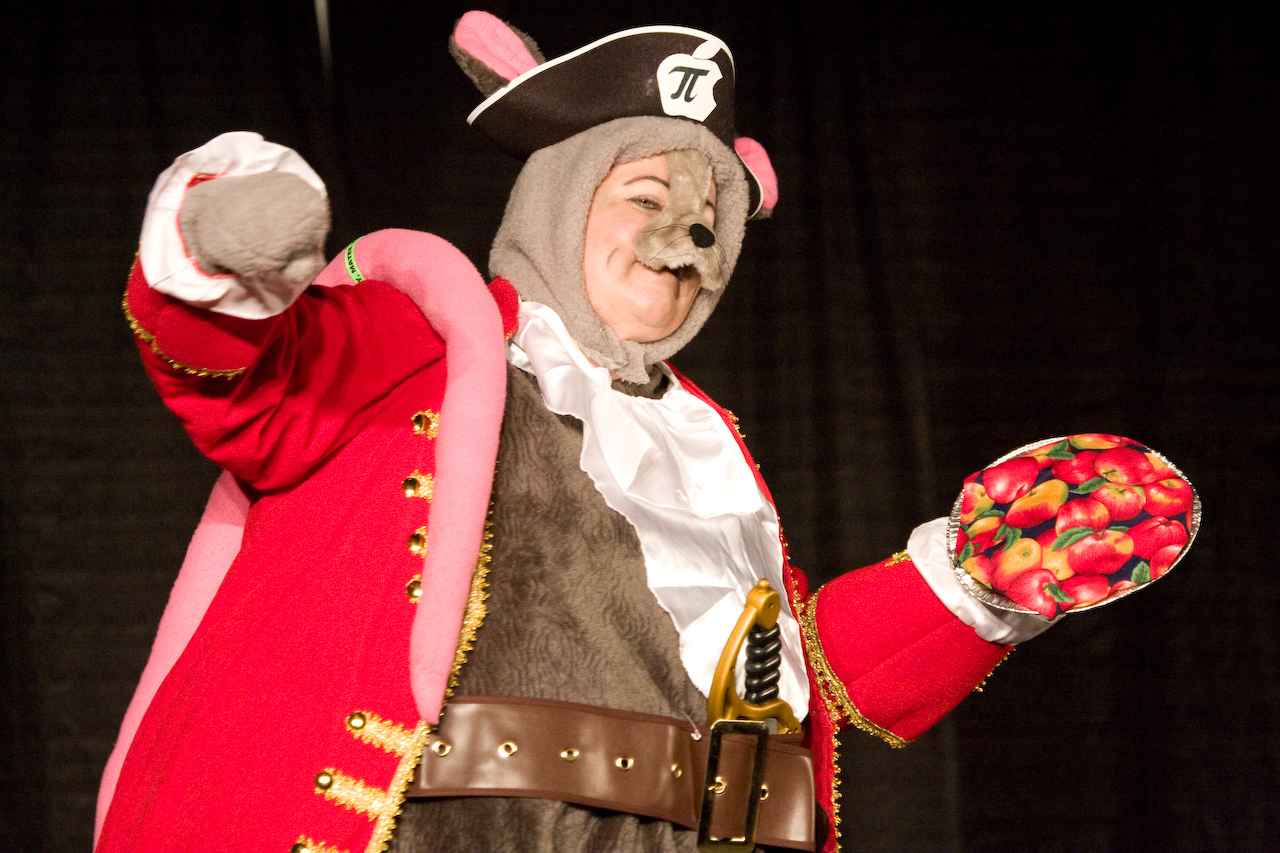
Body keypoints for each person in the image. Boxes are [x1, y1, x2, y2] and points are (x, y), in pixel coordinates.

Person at [96, 13, 1193, 853]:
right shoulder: (429, 341)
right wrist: (220, 253)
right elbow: (256, 380)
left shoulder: (709, 442)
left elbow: (775, 677)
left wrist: (969, 581)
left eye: (711, 219)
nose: (688, 238)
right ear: (560, 197)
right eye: (647, 197)